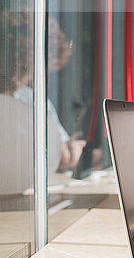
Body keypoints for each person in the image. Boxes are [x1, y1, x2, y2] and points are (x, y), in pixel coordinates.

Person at [0, 10, 85, 171]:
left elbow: (62, 147)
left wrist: (70, 152)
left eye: (24, 70)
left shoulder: (33, 99)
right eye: (8, 65)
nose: (13, 78)